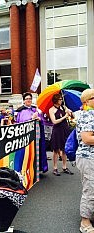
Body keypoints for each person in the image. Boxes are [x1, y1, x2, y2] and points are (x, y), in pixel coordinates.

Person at [75, 89, 94, 233]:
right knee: (90, 189)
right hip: (88, 157)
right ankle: (85, 222)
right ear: (86, 101)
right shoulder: (87, 115)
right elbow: (87, 139)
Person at [16, 92, 48, 173]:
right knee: (28, 154)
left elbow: (42, 120)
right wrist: (31, 118)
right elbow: (21, 122)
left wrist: (39, 119)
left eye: (30, 99)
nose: (29, 100)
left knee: (36, 153)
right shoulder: (21, 110)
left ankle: (36, 169)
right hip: (27, 137)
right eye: (27, 99)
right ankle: (27, 170)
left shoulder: (35, 109)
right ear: (23, 101)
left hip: (37, 135)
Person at [49, 93, 74, 176]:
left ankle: (64, 167)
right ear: (56, 100)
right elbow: (54, 121)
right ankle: (55, 168)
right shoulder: (51, 109)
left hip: (65, 129)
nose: (61, 100)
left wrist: (70, 113)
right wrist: (64, 116)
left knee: (64, 149)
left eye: (61, 99)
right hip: (57, 130)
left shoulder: (63, 107)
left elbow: (72, 117)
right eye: (60, 99)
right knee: (56, 149)